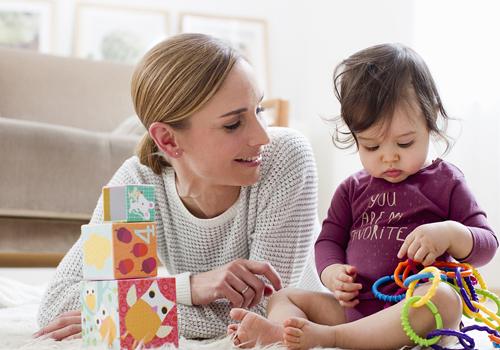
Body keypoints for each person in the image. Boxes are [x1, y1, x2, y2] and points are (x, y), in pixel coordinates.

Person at [35, 33, 322, 341]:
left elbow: (262, 312)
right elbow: (59, 303)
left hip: (313, 324)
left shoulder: (285, 157)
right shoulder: (138, 184)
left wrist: (118, 313)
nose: (262, 136)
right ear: (168, 140)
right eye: (233, 124)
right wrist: (190, 287)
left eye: (259, 109)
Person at [227, 43, 498, 349]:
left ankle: (332, 339)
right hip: (356, 311)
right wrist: (331, 273)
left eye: (405, 143)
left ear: (430, 120)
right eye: (371, 146)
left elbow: (486, 245)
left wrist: (450, 234)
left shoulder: (446, 181)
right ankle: (283, 334)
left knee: (445, 299)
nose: (389, 157)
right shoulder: (352, 190)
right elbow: (328, 241)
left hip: (414, 313)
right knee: (282, 295)